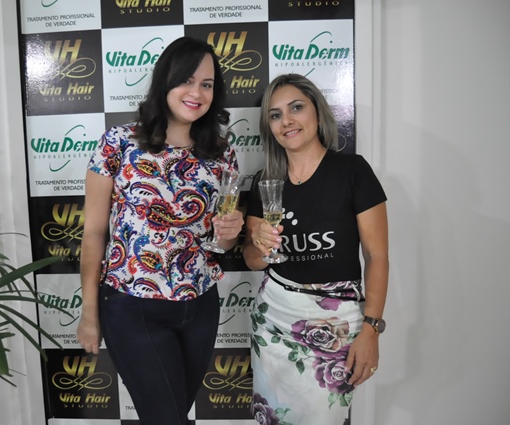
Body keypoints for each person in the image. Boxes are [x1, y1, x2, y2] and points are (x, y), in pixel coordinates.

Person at [76, 36, 244, 425]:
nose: (197, 92)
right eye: (187, 80)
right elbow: (94, 232)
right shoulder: (119, 142)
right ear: (165, 81)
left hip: (200, 305)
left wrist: (230, 231)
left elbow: (221, 241)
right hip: (132, 307)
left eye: (207, 84)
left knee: (172, 415)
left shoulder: (222, 152)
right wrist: (89, 313)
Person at [242, 73, 389, 425]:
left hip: (336, 328)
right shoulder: (264, 182)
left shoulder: (352, 170)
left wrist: (371, 330)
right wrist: (260, 243)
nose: (286, 121)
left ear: (317, 113)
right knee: (273, 418)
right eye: (275, 115)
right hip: (273, 321)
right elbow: (252, 260)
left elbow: (377, 256)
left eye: (296, 108)